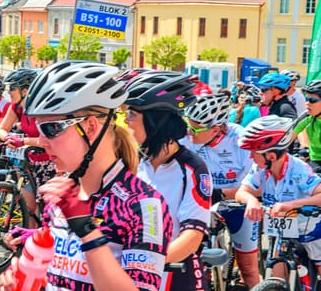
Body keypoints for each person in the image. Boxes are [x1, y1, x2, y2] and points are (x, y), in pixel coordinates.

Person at [0, 60, 173, 291]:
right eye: (37, 129)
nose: (41, 142)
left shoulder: (142, 204)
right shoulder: (60, 193)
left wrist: (86, 229)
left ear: (90, 127)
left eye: (50, 129)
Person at [123, 71, 212, 291]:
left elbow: (192, 236)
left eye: (132, 113)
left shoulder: (192, 168)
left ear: (155, 120)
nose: (125, 120)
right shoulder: (129, 162)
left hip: (175, 276)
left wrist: (143, 265)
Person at [184, 93, 259, 289]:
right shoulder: (187, 138)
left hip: (236, 203)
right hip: (202, 205)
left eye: (195, 128)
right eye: (188, 124)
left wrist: (222, 193)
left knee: (248, 269)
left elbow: (257, 185)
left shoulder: (241, 139)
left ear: (216, 129)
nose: (189, 132)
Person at [235, 115, 321, 277]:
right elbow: (241, 192)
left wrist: (291, 204)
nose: (250, 157)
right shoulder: (259, 168)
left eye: (254, 152)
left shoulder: (298, 170)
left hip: (312, 233)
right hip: (282, 234)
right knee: (275, 276)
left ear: (271, 157)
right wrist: (251, 200)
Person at [0, 68, 55, 225]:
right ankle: (28, 245)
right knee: (28, 209)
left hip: (51, 163)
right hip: (30, 162)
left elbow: (47, 140)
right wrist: (8, 137)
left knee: (48, 211)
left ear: (25, 90)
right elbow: (1, 129)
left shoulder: (42, 108)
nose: (8, 92)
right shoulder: (16, 106)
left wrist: (23, 141)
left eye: (12, 88)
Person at [293, 79, 321, 173]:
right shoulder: (307, 116)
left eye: (312, 100)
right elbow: (288, 137)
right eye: (306, 99)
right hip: (315, 162)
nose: (307, 103)